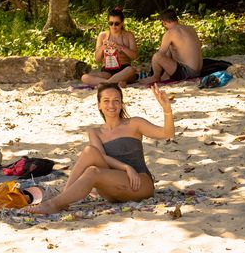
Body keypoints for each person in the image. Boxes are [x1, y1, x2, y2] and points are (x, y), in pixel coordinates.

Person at [25, 83, 175, 214]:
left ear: (122, 104)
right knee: (90, 152)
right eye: (106, 101)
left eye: (116, 101)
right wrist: (125, 167)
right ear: (99, 105)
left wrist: (167, 110)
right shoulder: (95, 132)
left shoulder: (134, 124)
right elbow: (102, 158)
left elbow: (167, 133)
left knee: (92, 171)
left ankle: (55, 203)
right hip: (110, 190)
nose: (112, 105)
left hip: (139, 184)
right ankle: (64, 196)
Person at [138, 8, 203, 84]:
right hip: (199, 71)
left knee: (157, 56)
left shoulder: (170, 33)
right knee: (171, 48)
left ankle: (155, 77)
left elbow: (160, 55)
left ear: (164, 23)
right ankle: (165, 75)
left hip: (187, 73)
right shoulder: (190, 29)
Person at [81, 6, 138, 86]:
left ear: (122, 23)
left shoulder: (128, 35)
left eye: (116, 23)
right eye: (111, 23)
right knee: (84, 77)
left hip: (124, 69)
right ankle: (113, 82)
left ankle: (106, 83)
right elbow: (97, 59)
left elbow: (134, 56)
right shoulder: (102, 35)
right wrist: (102, 48)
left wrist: (121, 47)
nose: (113, 26)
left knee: (131, 70)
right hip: (107, 71)